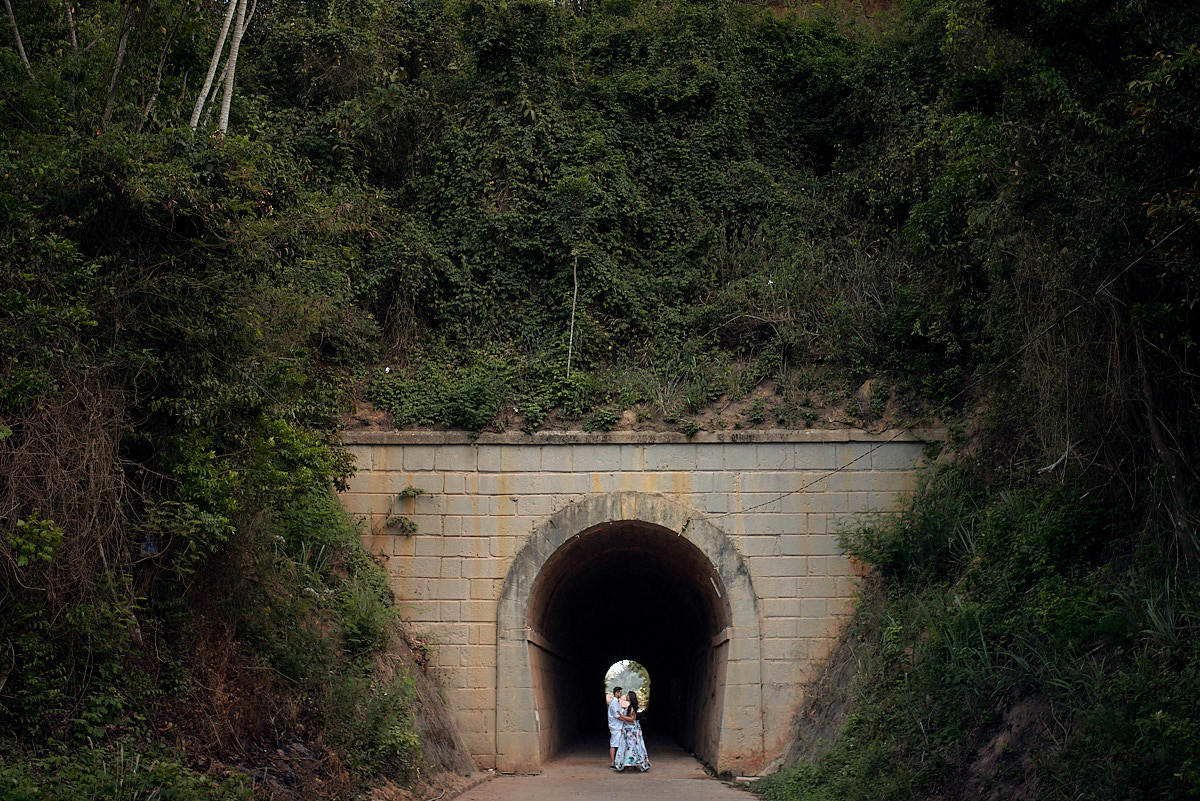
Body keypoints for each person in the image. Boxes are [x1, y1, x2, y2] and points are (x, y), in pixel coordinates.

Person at [613, 690, 650, 772]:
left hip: (631, 730)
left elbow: (632, 719)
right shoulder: (630, 706)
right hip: (630, 729)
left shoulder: (632, 707)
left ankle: (631, 764)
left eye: (627, 695)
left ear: (630, 697)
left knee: (630, 747)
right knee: (632, 747)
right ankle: (631, 763)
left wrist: (621, 716)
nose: (626, 696)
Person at [607, 686, 624, 767]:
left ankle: (616, 761)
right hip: (615, 726)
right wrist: (627, 720)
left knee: (617, 744)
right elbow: (617, 715)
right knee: (614, 744)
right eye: (620, 692)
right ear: (616, 693)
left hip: (617, 726)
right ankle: (612, 762)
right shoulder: (613, 703)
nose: (621, 694)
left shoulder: (616, 702)